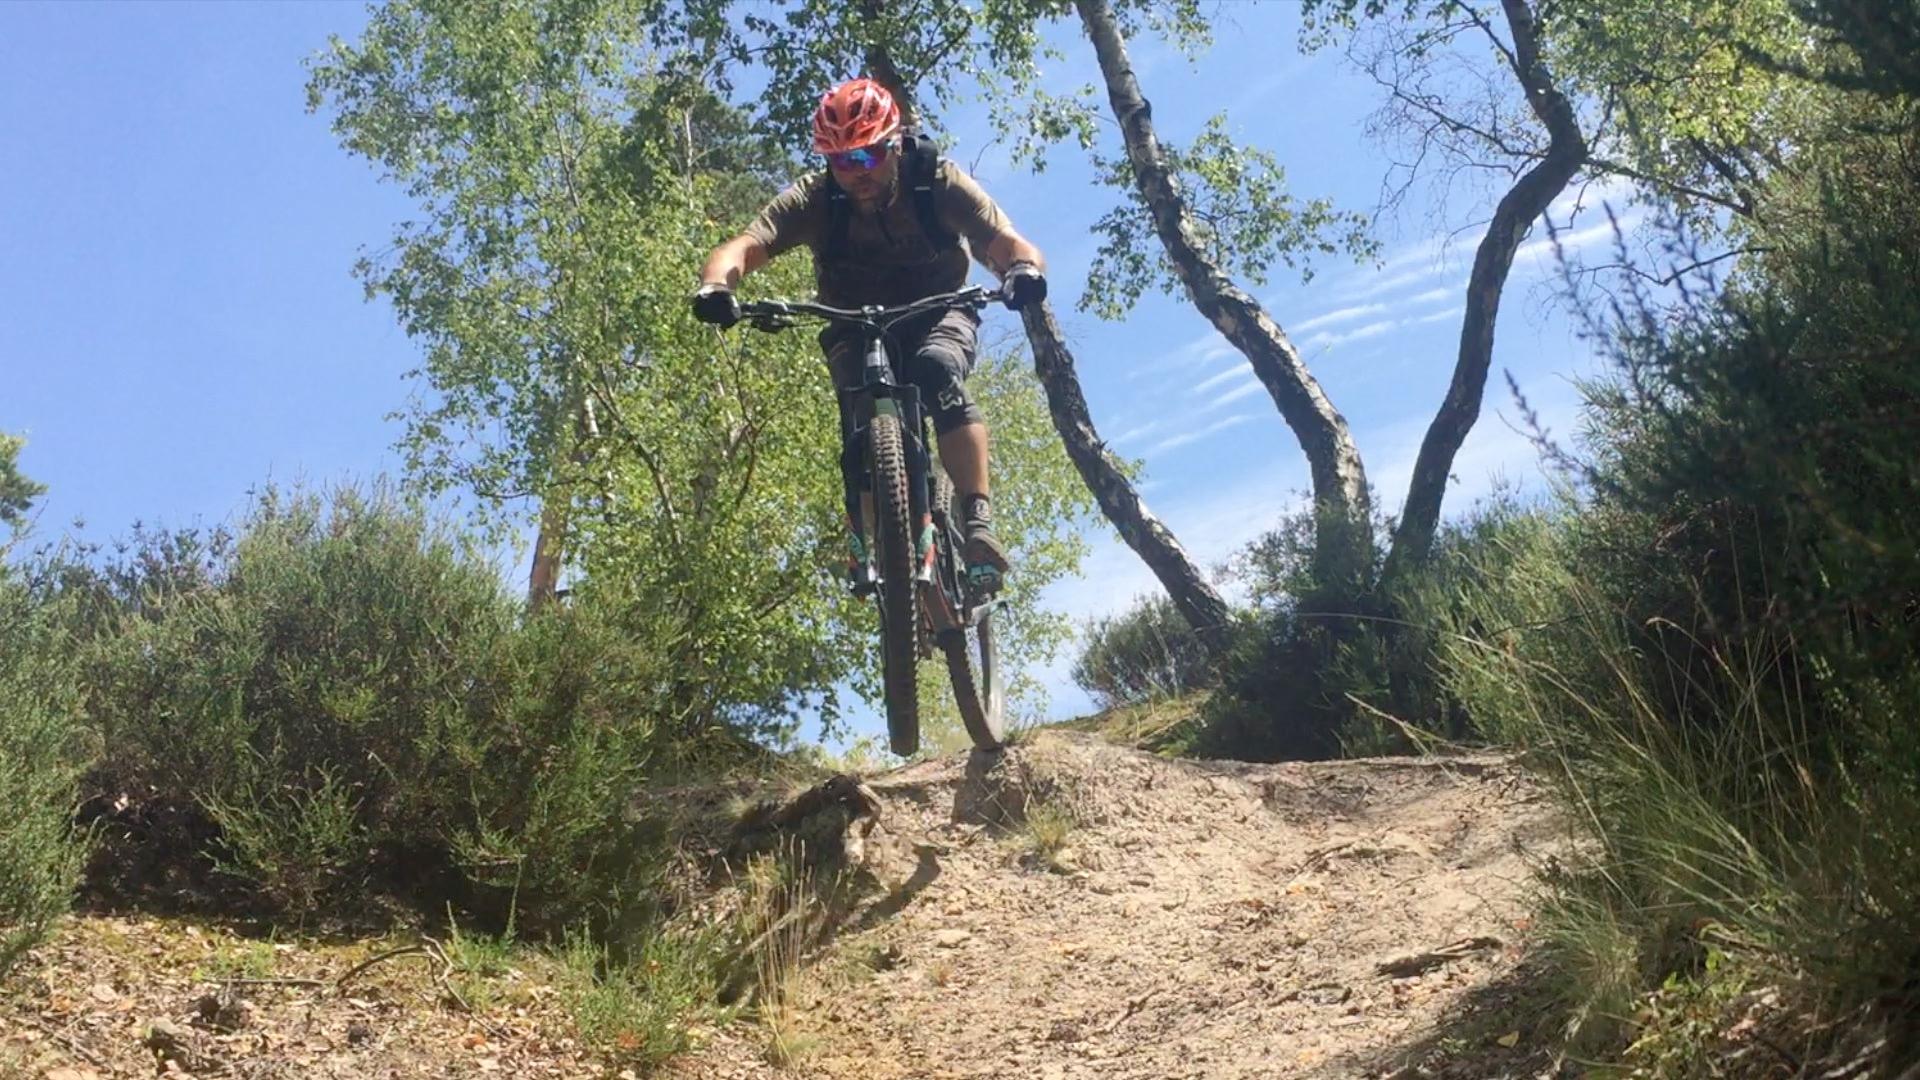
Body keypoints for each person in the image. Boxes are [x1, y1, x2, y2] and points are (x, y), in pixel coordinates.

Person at [690, 77, 1048, 592]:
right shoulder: (816, 199)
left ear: (895, 143)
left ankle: (977, 523)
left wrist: (1022, 272)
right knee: (857, 410)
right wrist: (715, 287)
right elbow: (744, 246)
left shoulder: (936, 183)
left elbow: (1010, 242)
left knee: (936, 371)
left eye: (868, 156)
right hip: (853, 319)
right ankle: (869, 534)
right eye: (840, 161)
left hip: (937, 308)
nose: (855, 172)